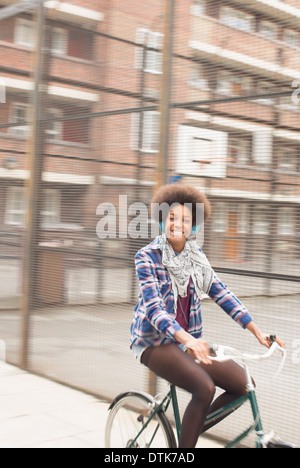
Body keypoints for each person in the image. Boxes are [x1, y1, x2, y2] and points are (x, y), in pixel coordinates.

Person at [130, 183, 285, 448]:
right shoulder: (147, 257)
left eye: (186, 219)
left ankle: (188, 430)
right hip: (153, 343)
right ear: (161, 220)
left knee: (243, 384)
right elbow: (154, 310)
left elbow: (221, 292)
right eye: (172, 217)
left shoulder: (195, 256)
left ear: (195, 226)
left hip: (186, 342)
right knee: (205, 388)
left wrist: (256, 331)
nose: (178, 224)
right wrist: (188, 339)